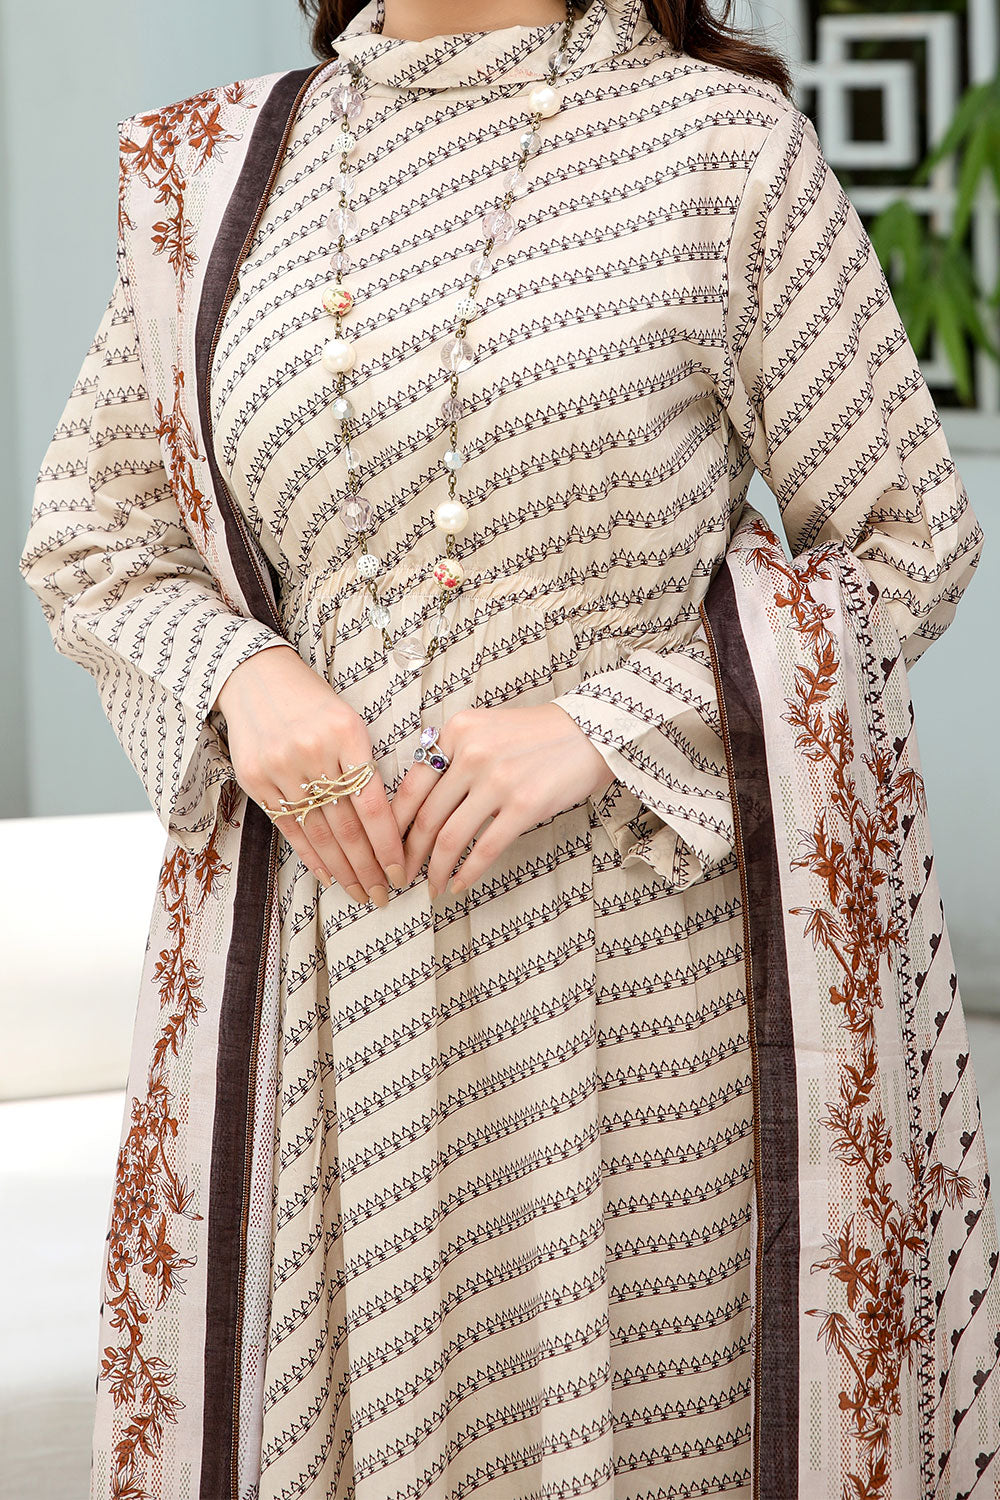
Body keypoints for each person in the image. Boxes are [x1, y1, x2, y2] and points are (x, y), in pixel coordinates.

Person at [18, 0, 999, 1497]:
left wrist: (602, 727)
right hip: (326, 977)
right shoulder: (217, 172)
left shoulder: (721, 150)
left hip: (636, 982)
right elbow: (93, 537)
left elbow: (907, 539)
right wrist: (244, 676)